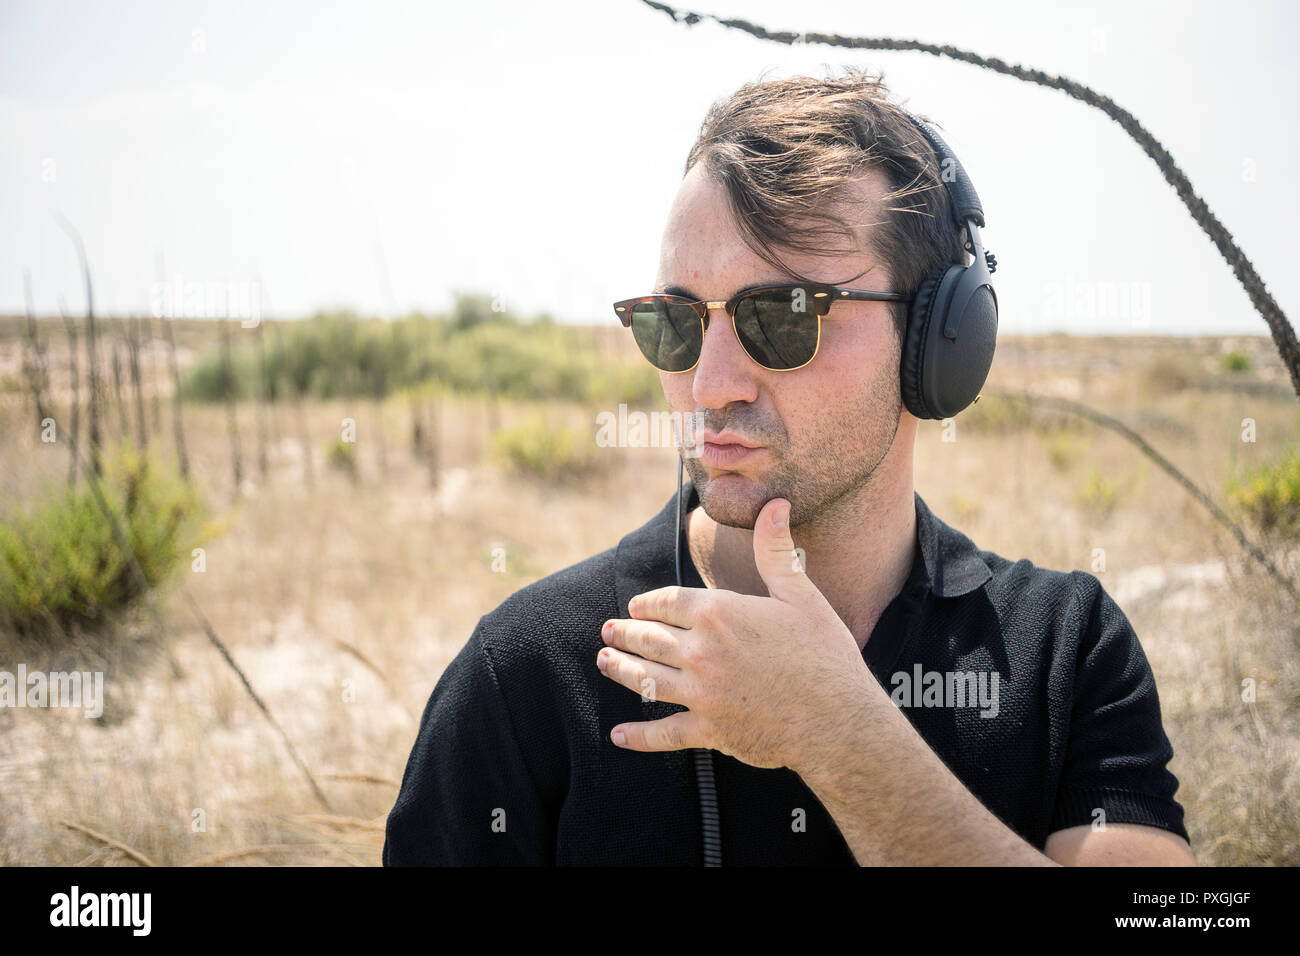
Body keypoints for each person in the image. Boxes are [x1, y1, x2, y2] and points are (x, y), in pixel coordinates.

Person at [383, 68, 1194, 866]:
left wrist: (839, 737)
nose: (709, 385)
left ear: (937, 344)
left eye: (783, 316)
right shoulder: (527, 672)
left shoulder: (1065, 650)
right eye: (675, 322)